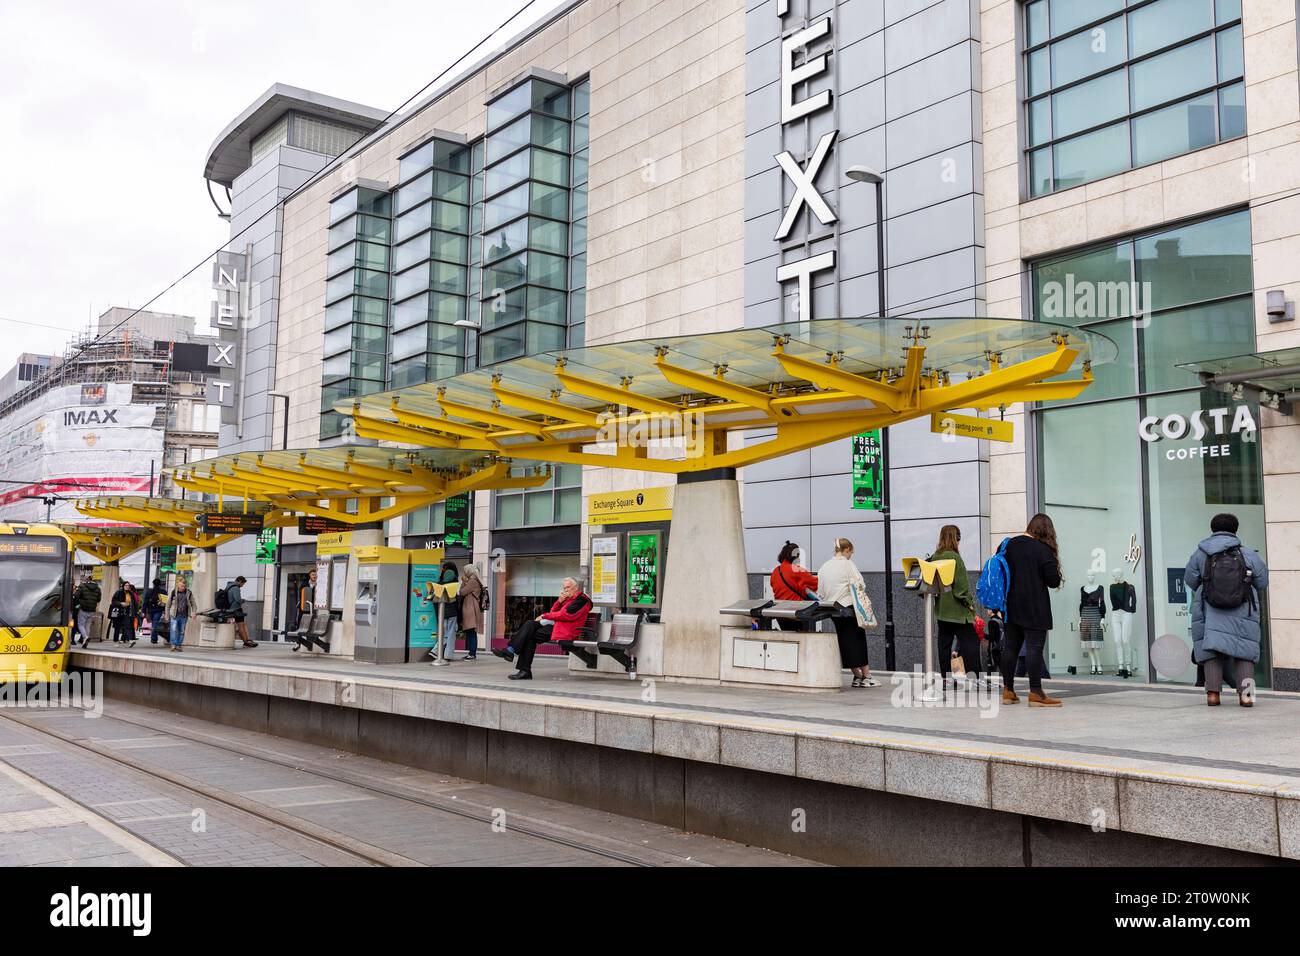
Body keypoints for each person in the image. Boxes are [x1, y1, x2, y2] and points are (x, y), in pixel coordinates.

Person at [1184, 513, 1268, 708]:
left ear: (1213, 529)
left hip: (1209, 609)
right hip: (1243, 609)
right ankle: (1247, 696)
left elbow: (1190, 579)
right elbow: (1262, 581)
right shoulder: (1248, 554)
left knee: (1211, 649)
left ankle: (1213, 695)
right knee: (1245, 652)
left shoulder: (1200, 553)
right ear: (1235, 529)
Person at [1000, 513, 1063, 707]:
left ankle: (1008, 691)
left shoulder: (1008, 545)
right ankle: (1036, 692)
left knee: (1010, 647)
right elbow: (1053, 581)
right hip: (1034, 607)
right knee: (1035, 649)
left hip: (1011, 606)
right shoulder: (1042, 550)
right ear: (1046, 531)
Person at [492, 577, 591, 680]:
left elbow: (565, 615)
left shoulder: (582, 600)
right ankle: (517, 661)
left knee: (530, 634)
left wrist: (544, 616)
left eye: (568, 587)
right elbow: (554, 612)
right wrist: (559, 601)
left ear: (576, 588)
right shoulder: (569, 599)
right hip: (557, 627)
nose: (565, 590)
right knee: (530, 625)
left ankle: (512, 654)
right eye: (564, 588)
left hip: (566, 630)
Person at [816, 538, 879, 688]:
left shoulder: (824, 566)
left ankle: (857, 676)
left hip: (833, 608)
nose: (851, 554)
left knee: (844, 641)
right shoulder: (847, 564)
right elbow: (860, 584)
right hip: (848, 607)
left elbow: (820, 590)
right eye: (851, 551)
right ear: (847, 549)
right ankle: (867, 676)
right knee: (858, 639)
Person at [931, 525, 983, 687]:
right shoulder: (955, 558)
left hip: (942, 611)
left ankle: (946, 678)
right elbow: (961, 589)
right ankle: (976, 678)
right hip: (958, 612)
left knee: (944, 644)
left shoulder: (935, 557)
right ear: (956, 538)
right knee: (971, 643)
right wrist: (970, 604)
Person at [769, 541, 818, 631]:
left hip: (780, 614)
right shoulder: (796, 570)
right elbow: (815, 583)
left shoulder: (775, 571)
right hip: (797, 612)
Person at [456, 564, 486, 662]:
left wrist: (464, 582)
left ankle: (472, 654)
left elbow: (462, 592)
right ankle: (471, 653)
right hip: (471, 609)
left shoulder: (472, 581)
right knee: (470, 632)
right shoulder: (474, 580)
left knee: (471, 632)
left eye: (465, 571)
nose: (464, 573)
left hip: (471, 610)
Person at [224, 576, 258, 648]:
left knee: (242, 625)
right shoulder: (236, 588)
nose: (242, 586)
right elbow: (237, 599)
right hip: (236, 609)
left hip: (230, 609)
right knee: (241, 626)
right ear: (239, 581)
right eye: (243, 584)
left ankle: (247, 640)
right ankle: (246, 642)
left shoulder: (228, 586)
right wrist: (243, 600)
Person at [72, 573, 101, 647]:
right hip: (92, 609)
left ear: (85, 579)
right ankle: (85, 640)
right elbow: (98, 599)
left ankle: (85, 637)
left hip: (83, 608)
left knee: (80, 624)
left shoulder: (82, 586)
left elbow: (76, 596)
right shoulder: (98, 587)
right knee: (87, 625)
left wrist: (79, 603)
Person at [439, 559, 460, 660]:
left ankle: (438, 652)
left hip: (446, 609)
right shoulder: (455, 579)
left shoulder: (448, 576)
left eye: (444, 568)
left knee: (446, 632)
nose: (442, 570)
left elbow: (443, 583)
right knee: (450, 633)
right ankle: (446, 654)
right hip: (451, 609)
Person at [165, 577, 193, 652]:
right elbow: (168, 604)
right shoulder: (173, 592)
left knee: (182, 631)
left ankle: (178, 645)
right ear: (178, 585)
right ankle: (173, 644)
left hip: (184, 615)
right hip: (174, 615)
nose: (182, 588)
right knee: (174, 630)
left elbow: (193, 604)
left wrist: (194, 612)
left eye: (184, 586)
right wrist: (167, 615)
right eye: (181, 586)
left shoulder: (189, 593)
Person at [110, 581, 141, 647]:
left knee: (128, 626)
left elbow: (134, 603)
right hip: (119, 612)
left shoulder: (131, 593)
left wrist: (135, 612)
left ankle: (130, 640)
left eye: (128, 585)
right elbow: (113, 601)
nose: (127, 586)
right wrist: (121, 603)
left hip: (127, 612)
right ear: (123, 586)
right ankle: (115, 641)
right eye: (126, 585)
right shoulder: (119, 592)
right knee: (117, 627)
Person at [142, 577, 166, 644]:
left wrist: (143, 611)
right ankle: (154, 638)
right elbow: (165, 602)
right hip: (158, 610)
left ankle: (154, 638)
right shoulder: (163, 591)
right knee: (155, 623)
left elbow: (145, 602)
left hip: (150, 610)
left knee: (154, 623)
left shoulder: (149, 591)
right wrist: (165, 611)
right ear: (160, 584)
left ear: (153, 584)